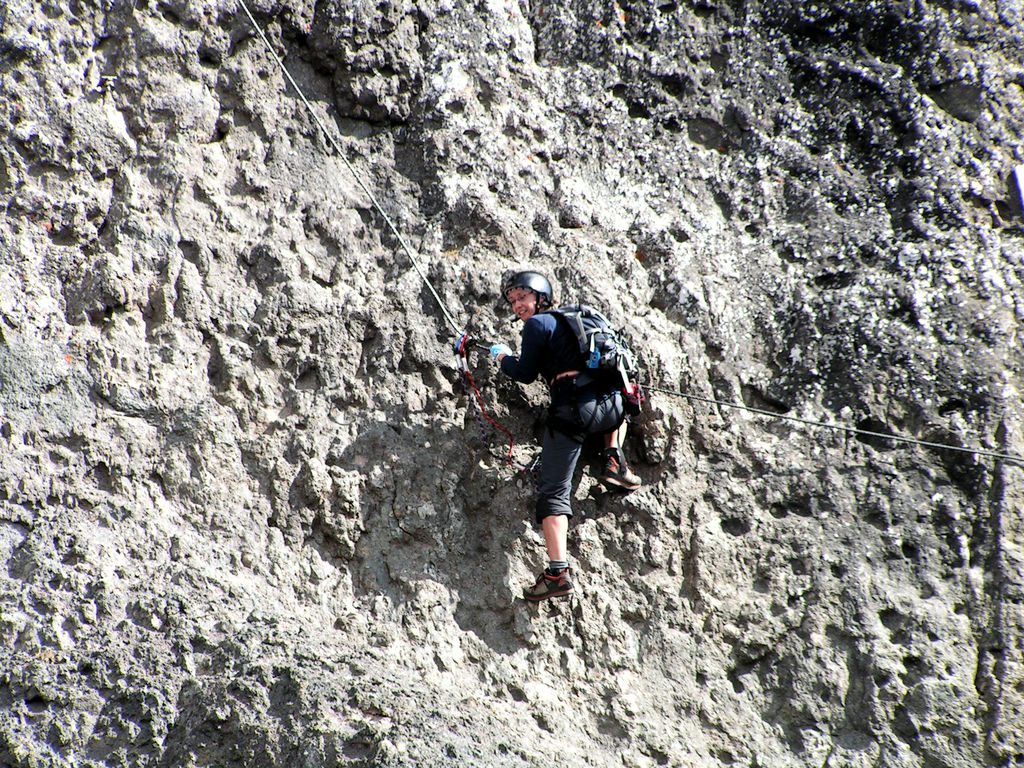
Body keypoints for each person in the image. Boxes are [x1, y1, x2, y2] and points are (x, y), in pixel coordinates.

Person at [488, 270, 641, 602]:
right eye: (512, 301)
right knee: (622, 396)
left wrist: (501, 357)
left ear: (540, 298)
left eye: (522, 297)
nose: (517, 305)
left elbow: (524, 374)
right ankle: (613, 457)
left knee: (554, 493)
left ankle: (557, 573)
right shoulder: (579, 322)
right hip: (610, 409)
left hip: (573, 414)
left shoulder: (536, 326)